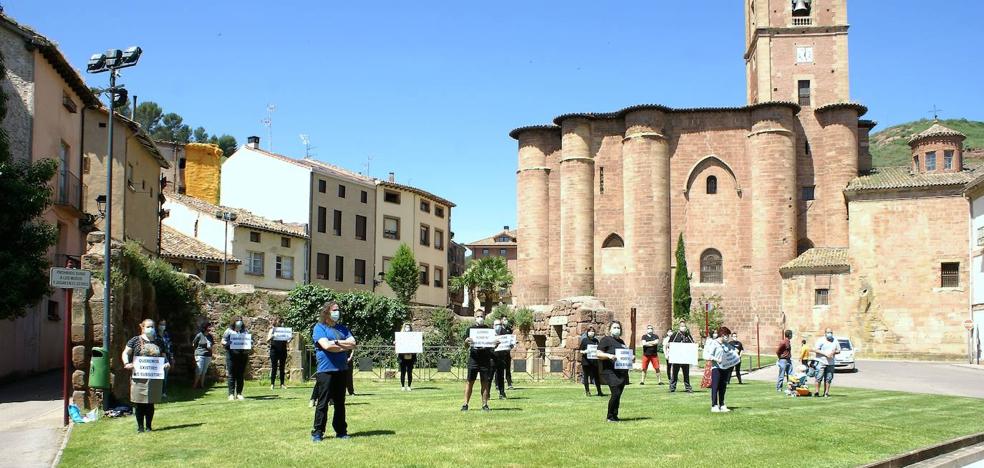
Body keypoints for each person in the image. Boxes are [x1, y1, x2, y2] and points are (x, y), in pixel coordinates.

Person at [311, 301, 357, 442]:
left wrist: (335, 343)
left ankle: (341, 431)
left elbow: (353, 343)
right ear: (327, 312)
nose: (337, 312)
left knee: (339, 402)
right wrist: (342, 345)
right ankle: (318, 432)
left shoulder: (343, 329)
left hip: (341, 369)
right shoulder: (319, 328)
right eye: (334, 310)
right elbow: (326, 345)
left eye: (338, 310)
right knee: (323, 402)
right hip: (325, 370)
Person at [122, 319, 171, 433]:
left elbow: (163, 356)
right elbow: (126, 352)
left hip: (154, 376)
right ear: (142, 327)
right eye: (148, 326)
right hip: (139, 376)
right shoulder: (135, 340)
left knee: (150, 403)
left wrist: (166, 363)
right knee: (139, 403)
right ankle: (140, 427)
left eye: (152, 327)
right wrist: (126, 363)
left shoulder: (159, 341)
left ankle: (149, 426)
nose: (151, 329)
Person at [462, 309, 497, 412]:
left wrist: (496, 344)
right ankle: (465, 404)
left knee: (485, 382)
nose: (480, 318)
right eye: (478, 316)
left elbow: (492, 345)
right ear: (474, 317)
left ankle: (485, 404)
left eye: (481, 316)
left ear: (484, 317)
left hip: (485, 359)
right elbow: (465, 346)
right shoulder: (470, 329)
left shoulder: (489, 330)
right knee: (469, 382)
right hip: (473, 358)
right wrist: (466, 341)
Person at [596, 320, 631, 422]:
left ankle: (615, 415)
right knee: (615, 393)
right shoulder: (606, 340)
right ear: (610, 329)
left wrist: (630, 358)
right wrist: (609, 356)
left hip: (621, 372)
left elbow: (624, 355)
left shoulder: (621, 342)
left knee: (618, 394)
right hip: (610, 371)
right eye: (615, 328)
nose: (617, 330)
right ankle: (610, 416)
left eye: (618, 328)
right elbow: (598, 354)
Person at [706, 326, 738, 412]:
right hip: (716, 367)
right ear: (723, 335)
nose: (728, 338)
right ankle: (714, 405)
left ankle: (722, 404)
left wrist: (736, 353)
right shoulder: (714, 343)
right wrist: (717, 359)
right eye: (727, 335)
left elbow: (732, 352)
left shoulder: (727, 344)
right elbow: (708, 355)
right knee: (715, 386)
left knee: (723, 387)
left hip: (725, 368)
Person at [221, 317, 250, 401]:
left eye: (240, 321)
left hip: (242, 355)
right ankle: (231, 394)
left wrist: (250, 343)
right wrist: (227, 343)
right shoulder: (228, 331)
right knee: (231, 375)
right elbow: (223, 340)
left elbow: (249, 340)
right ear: (234, 322)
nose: (239, 322)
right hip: (231, 355)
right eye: (237, 321)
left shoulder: (245, 331)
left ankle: (239, 393)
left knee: (240, 375)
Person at [667, 321, 694, 393]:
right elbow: (669, 344)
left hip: (685, 358)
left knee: (686, 374)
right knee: (675, 373)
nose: (683, 327)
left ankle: (688, 387)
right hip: (677, 358)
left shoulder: (688, 335)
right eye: (682, 326)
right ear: (679, 327)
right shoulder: (675, 335)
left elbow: (692, 345)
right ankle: (672, 387)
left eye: (684, 326)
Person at [813, 328, 841, 398]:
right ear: (825, 333)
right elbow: (816, 350)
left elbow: (839, 350)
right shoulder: (820, 340)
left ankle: (826, 393)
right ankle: (817, 392)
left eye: (831, 332)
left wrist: (834, 352)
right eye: (828, 332)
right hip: (821, 361)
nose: (830, 334)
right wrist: (825, 354)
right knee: (818, 377)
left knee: (829, 378)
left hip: (831, 363)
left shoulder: (835, 340)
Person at [579, 326, 604, 397]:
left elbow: (599, 349)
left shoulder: (596, 341)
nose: (591, 332)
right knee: (586, 377)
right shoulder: (584, 340)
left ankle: (599, 391)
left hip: (594, 361)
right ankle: (587, 391)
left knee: (596, 377)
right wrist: (585, 351)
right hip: (586, 361)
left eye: (593, 331)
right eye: (590, 331)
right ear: (587, 332)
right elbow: (580, 350)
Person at [267, 317, 289, 390]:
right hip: (274, 351)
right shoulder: (272, 330)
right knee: (274, 367)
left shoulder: (285, 331)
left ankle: (282, 384)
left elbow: (287, 341)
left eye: (282, 322)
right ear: (277, 322)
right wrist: (272, 336)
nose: (282, 323)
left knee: (282, 368)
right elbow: (267, 340)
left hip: (283, 350)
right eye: (280, 322)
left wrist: (289, 338)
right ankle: (272, 384)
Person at [191, 322, 215, 389]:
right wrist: (196, 352)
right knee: (199, 370)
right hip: (200, 355)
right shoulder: (199, 335)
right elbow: (194, 344)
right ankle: (195, 385)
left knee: (204, 371)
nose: (210, 328)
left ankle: (202, 385)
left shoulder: (210, 336)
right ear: (205, 327)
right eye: (209, 327)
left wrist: (210, 348)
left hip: (208, 355)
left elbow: (212, 345)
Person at [492, 318, 511, 399]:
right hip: (491, 358)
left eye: (499, 325)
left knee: (501, 376)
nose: (498, 327)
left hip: (501, 358)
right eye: (496, 325)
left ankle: (502, 393)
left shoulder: (505, 333)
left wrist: (510, 346)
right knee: (489, 377)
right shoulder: (490, 334)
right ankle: (487, 394)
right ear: (493, 326)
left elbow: (508, 344)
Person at [157, 319, 174, 399]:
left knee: (165, 375)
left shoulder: (166, 335)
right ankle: (156, 392)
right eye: (161, 324)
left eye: (164, 324)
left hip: (166, 356)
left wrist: (171, 357)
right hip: (157, 357)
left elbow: (170, 346)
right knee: (158, 375)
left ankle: (163, 392)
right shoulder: (155, 335)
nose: (162, 326)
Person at [398, 323, 417, 391]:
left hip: (411, 356)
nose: (407, 329)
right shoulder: (400, 336)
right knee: (403, 372)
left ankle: (409, 386)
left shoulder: (413, 336)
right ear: (404, 328)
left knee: (409, 372)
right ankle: (403, 386)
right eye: (406, 327)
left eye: (408, 327)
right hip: (402, 357)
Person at [501, 317, 515, 390]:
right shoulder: (499, 329)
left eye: (506, 319)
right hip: (500, 353)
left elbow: (511, 339)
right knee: (499, 369)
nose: (505, 321)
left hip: (507, 352)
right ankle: (498, 384)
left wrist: (512, 344)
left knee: (508, 369)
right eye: (504, 319)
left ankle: (509, 384)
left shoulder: (509, 330)